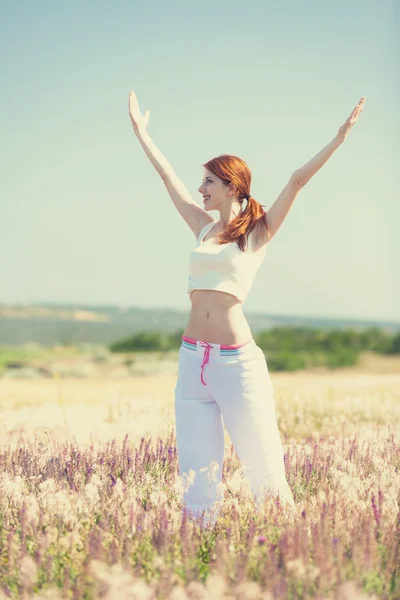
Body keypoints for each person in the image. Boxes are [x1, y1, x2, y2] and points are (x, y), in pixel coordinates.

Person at [128, 91, 365, 527]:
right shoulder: (202, 228)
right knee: (197, 476)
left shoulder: (257, 232)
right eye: (201, 182)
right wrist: (143, 134)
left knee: (265, 469)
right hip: (191, 361)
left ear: (232, 187)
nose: (200, 189)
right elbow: (167, 178)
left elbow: (296, 180)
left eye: (209, 183)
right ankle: (198, 554)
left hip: (235, 364)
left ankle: (290, 552)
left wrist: (339, 138)